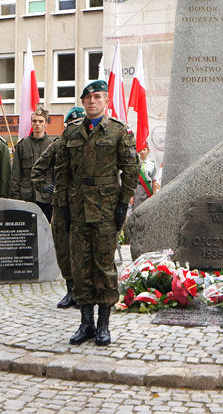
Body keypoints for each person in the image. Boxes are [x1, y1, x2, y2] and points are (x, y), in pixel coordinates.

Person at [55, 81, 139, 347]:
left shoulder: (117, 131)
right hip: (77, 207)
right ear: (83, 102)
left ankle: (103, 324)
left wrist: (123, 204)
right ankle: (86, 323)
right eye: (88, 97)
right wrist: (63, 206)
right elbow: (62, 172)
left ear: (106, 101)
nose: (92, 101)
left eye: (97, 97)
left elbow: (131, 169)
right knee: (80, 267)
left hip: (104, 208)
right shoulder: (71, 133)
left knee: (103, 266)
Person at [31, 105, 86, 309]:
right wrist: (46, 188)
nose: (77, 129)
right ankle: (71, 290)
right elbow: (37, 169)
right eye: (73, 125)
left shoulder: (92, 146)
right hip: (62, 206)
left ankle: (83, 293)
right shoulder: (58, 145)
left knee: (83, 250)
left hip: (85, 206)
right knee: (63, 249)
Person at [10, 107, 55, 221]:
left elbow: (56, 172)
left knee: (44, 231)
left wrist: (54, 194)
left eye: (41, 121)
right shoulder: (22, 145)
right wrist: (16, 197)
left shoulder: (53, 145)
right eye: (34, 121)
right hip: (26, 196)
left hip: (46, 197)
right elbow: (16, 174)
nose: (37, 124)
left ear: (46, 123)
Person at [131, 145, 160, 210]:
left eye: (144, 149)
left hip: (148, 190)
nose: (142, 152)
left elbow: (154, 180)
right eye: (140, 150)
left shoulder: (152, 163)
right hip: (138, 189)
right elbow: (132, 180)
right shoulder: (135, 164)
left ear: (148, 150)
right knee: (136, 210)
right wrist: (131, 196)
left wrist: (154, 195)